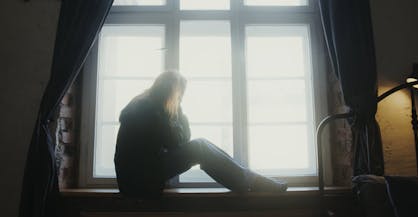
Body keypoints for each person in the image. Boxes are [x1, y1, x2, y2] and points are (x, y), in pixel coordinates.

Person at [114, 70, 288, 198]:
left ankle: (249, 180)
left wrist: (176, 111)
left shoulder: (145, 104)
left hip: (135, 180)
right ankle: (252, 181)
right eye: (180, 96)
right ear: (171, 92)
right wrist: (180, 112)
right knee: (199, 147)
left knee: (201, 145)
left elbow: (177, 142)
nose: (180, 99)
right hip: (138, 183)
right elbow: (177, 142)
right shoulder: (149, 109)